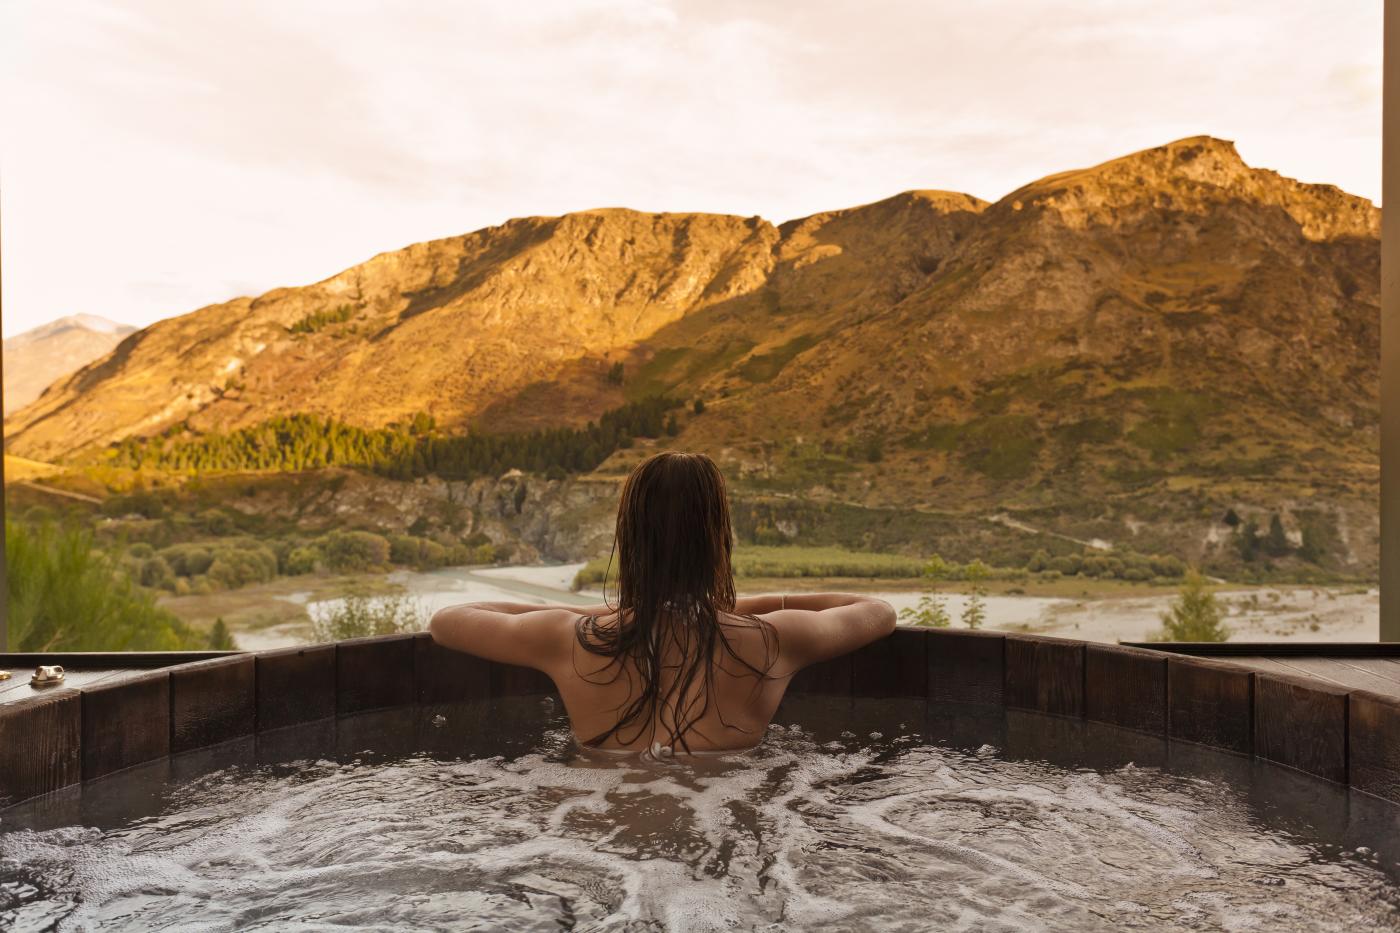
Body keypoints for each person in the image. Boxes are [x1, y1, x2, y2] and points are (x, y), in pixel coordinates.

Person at [429, 451, 896, 756]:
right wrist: (756, 606)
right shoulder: (775, 639)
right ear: (719, 541)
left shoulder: (563, 639)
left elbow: (448, 621)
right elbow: (877, 611)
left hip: (601, 846)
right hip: (720, 824)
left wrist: (598, 616)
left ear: (630, 540)